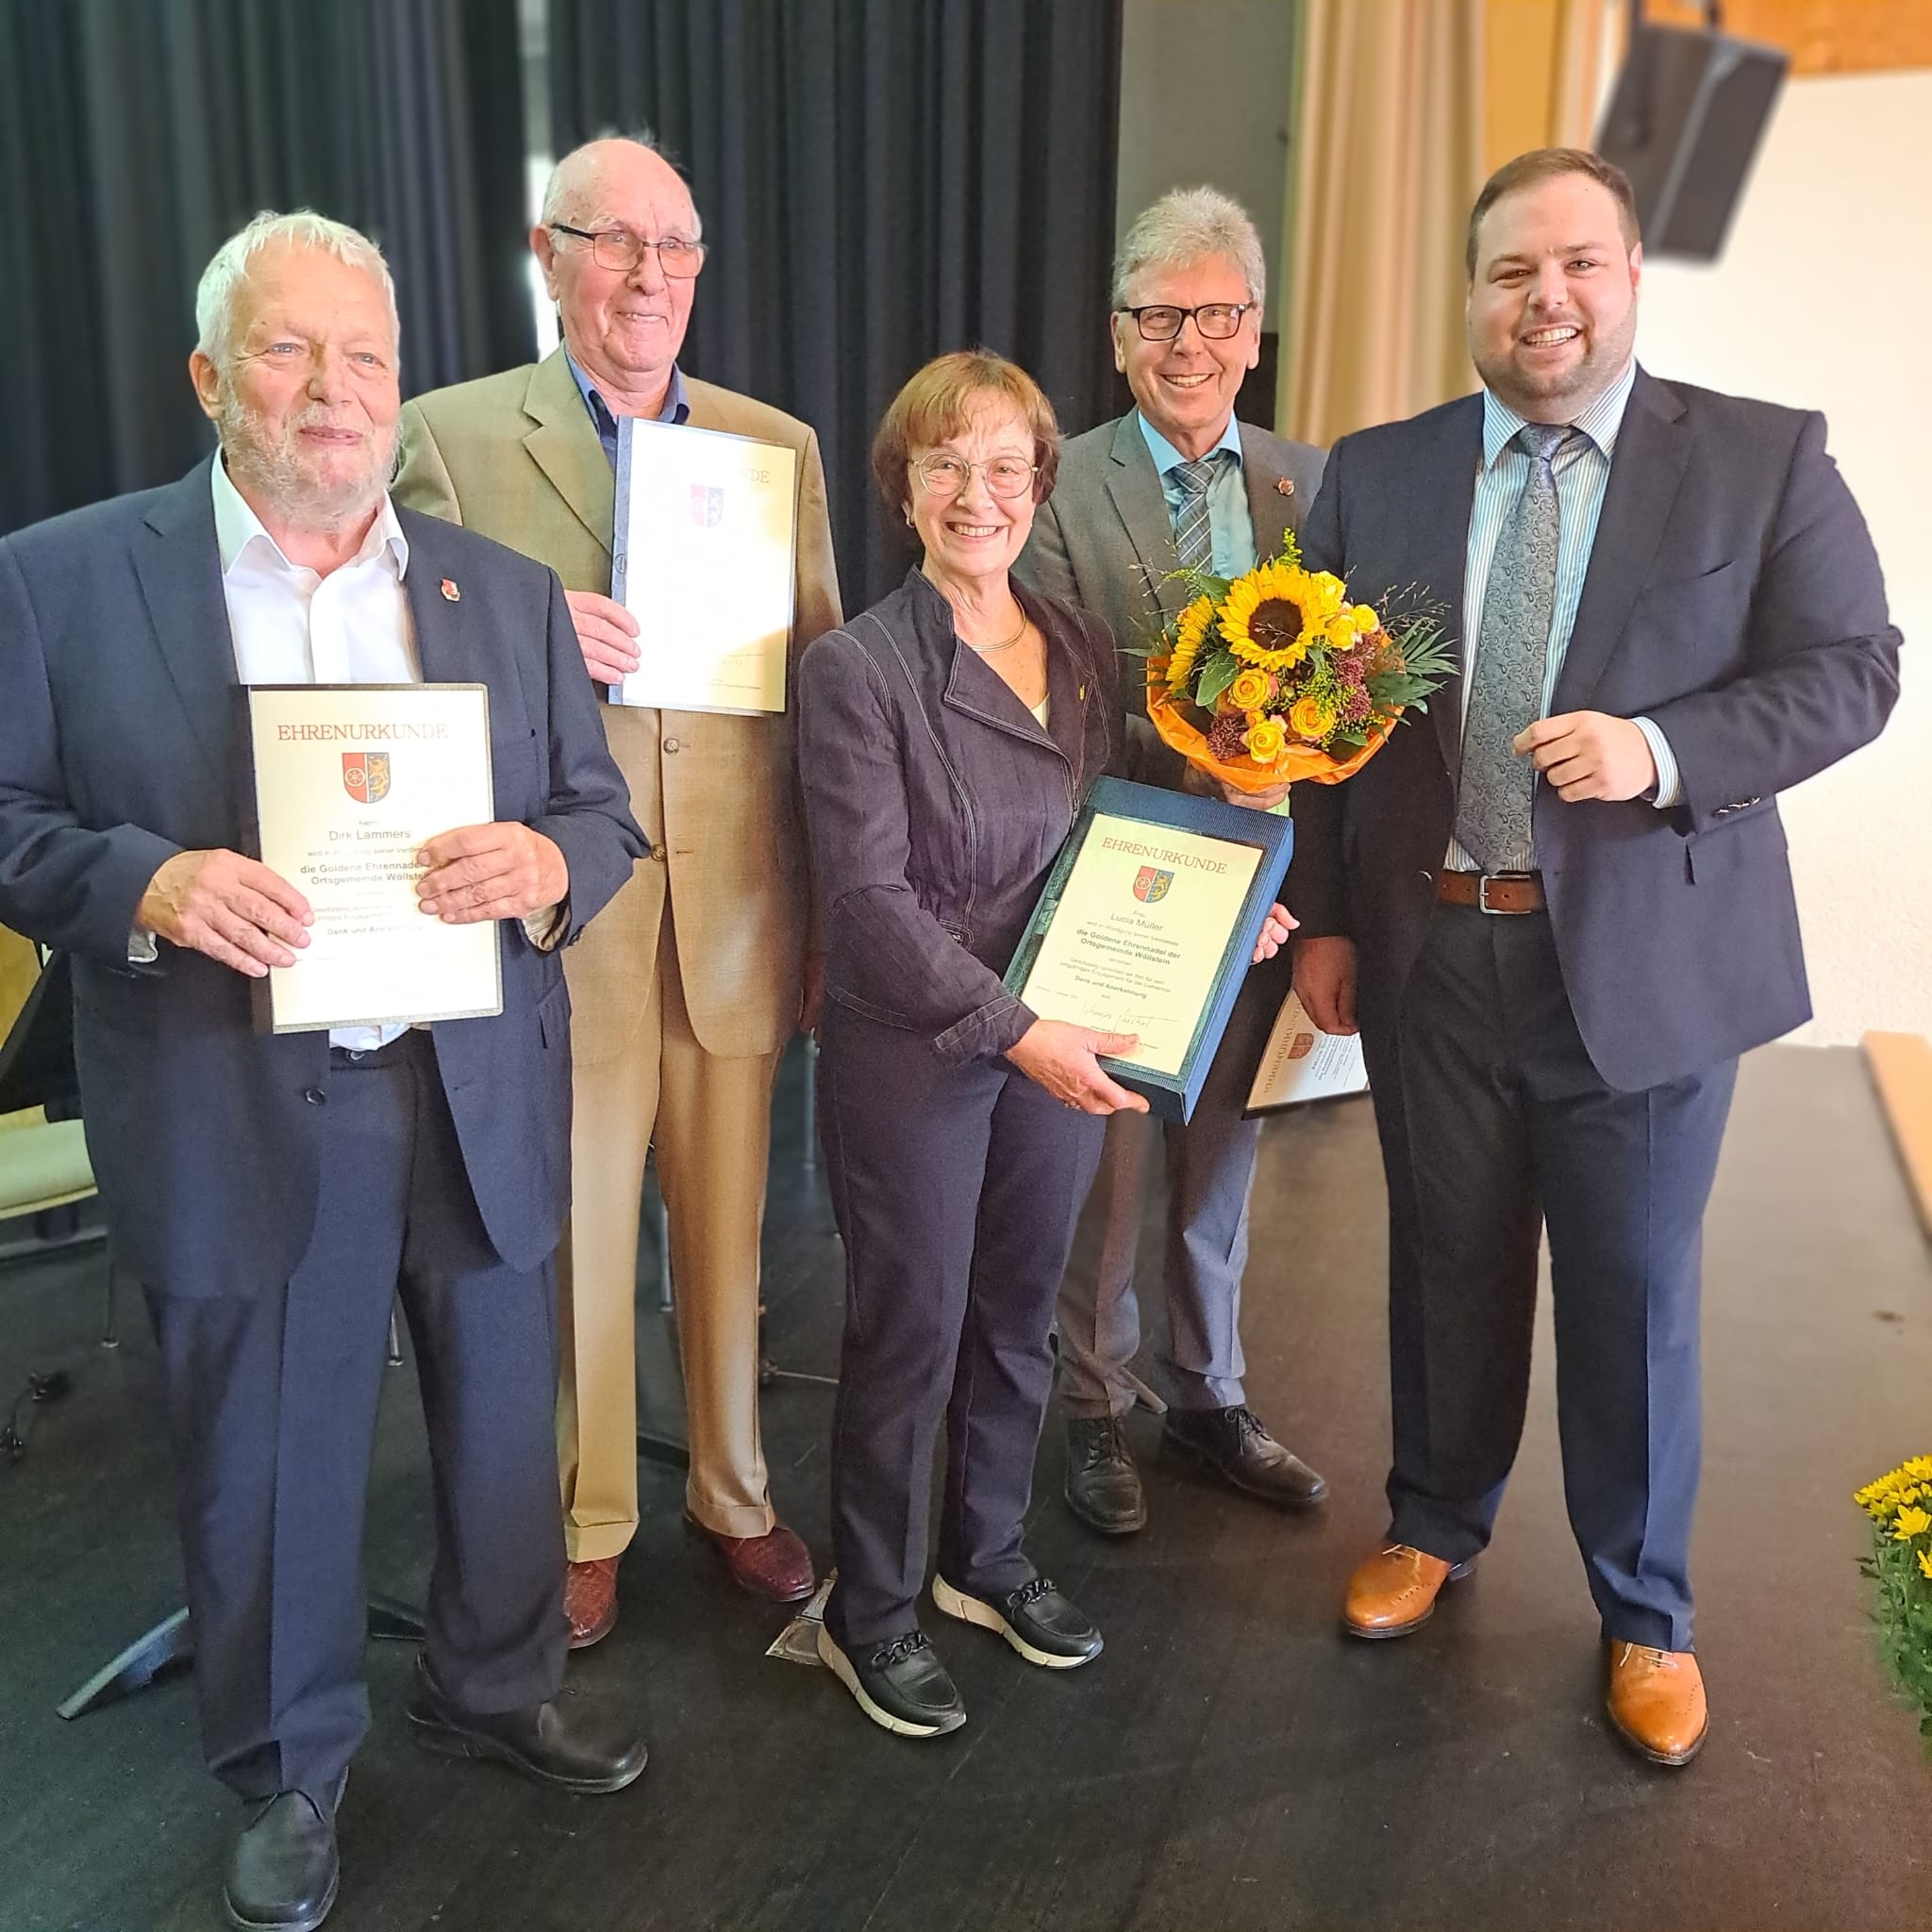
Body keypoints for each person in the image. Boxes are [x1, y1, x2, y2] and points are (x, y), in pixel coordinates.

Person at [0, 212, 649, 1932]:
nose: (334, 389)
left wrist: (548, 864)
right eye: (289, 350)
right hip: (230, 1089)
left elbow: (599, 816)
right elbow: (7, 819)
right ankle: (287, 1766)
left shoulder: (501, 591)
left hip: (470, 1081)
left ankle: (495, 1684)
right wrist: (147, 882)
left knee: (500, 1407)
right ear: (212, 378)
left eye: (366, 355)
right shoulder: (61, 579)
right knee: (265, 1448)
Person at [1290, 149, 1901, 1765]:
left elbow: (1854, 669)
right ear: (1472, 294)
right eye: (1511, 271)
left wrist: (1661, 749)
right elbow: (1326, 727)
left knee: (1631, 1293)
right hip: (1432, 951)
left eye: (1576, 265)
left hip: (1642, 963)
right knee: (1446, 1259)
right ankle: (1434, 1522)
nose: (1544, 297)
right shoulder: (1377, 473)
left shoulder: (1759, 458)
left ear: (1630, 276)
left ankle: (1646, 1611)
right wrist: (1330, 917)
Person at [800, 350, 1296, 1737]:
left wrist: (1225, 905)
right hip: (923, 1049)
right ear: (905, 488)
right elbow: (868, 905)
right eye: (947, 466)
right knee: (908, 1330)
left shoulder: (1075, 644)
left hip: (1065, 1032)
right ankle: (869, 1611)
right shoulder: (856, 667)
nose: (981, 495)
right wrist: (1022, 1031)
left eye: (1007, 467)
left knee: (1020, 1310)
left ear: (1039, 486)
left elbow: (1122, 819)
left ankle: (984, 1555)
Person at [393, 135, 842, 1641]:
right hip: (560, 918)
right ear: (549, 255)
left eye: (676, 247)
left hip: (739, 908)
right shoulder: (451, 437)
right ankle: (587, 1517)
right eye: (616, 242)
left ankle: (735, 1492)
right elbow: (394, 671)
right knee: (581, 1227)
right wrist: (528, 638)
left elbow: (823, 697)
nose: (651, 275)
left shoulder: (776, 446)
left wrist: (826, 911)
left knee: (732, 1224)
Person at [1017, 188, 1329, 1537]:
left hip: (1268, 890)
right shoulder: (1060, 482)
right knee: (1110, 1162)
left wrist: (1292, 815)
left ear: (1254, 332)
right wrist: (1207, 757)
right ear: (1118, 336)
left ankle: (1208, 1394)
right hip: (1124, 874)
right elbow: (1050, 688)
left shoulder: (1312, 484)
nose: (1186, 342)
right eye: (1158, 318)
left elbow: (1355, 685)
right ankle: (1093, 1401)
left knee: (1225, 1156)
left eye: (1213, 315)